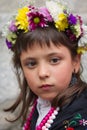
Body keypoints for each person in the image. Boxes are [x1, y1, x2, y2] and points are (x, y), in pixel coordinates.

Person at [3, 0, 87, 130]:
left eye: (54, 60)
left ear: (75, 61)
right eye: (31, 63)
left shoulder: (79, 117)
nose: (42, 73)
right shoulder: (43, 104)